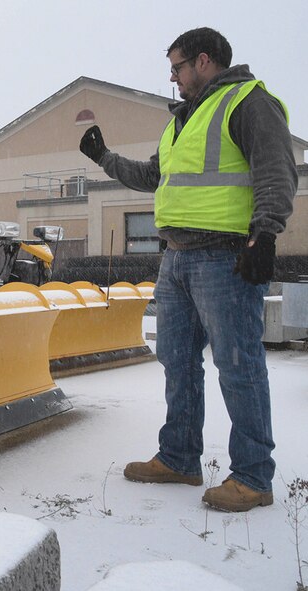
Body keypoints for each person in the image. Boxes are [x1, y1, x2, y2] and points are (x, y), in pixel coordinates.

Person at [79, 27, 297, 512]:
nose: (173, 78)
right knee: (176, 361)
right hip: (175, 256)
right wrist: (103, 157)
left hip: (225, 257)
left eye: (177, 67)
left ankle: (254, 477)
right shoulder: (182, 120)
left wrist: (265, 233)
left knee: (238, 366)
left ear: (203, 60)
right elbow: (153, 176)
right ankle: (179, 458)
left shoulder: (248, 102)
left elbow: (276, 170)